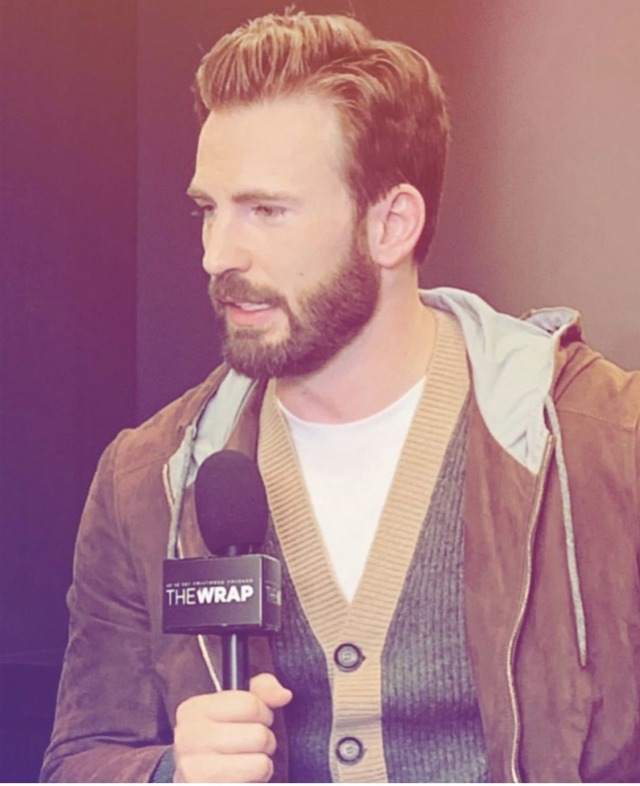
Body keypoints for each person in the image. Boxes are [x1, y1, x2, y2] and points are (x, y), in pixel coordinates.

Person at [41, 11, 640, 784]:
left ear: (391, 224)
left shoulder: (607, 445)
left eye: (266, 210)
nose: (217, 255)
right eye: (208, 209)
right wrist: (170, 774)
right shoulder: (145, 482)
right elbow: (79, 760)